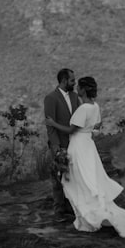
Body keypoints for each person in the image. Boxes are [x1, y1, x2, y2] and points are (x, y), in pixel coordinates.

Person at [45, 76, 125, 237]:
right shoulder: (95, 106)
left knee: (78, 179)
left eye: (79, 87)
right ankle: (86, 209)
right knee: (88, 178)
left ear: (84, 90)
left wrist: (53, 124)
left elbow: (70, 130)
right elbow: (97, 126)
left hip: (79, 146)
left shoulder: (84, 109)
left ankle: (87, 214)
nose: (76, 89)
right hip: (88, 144)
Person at [43, 68, 78, 218]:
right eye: (72, 80)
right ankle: (59, 210)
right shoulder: (51, 98)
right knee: (58, 178)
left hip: (75, 144)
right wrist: (56, 147)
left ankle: (70, 206)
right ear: (64, 81)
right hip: (60, 144)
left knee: (73, 177)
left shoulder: (75, 96)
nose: (74, 82)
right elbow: (50, 126)